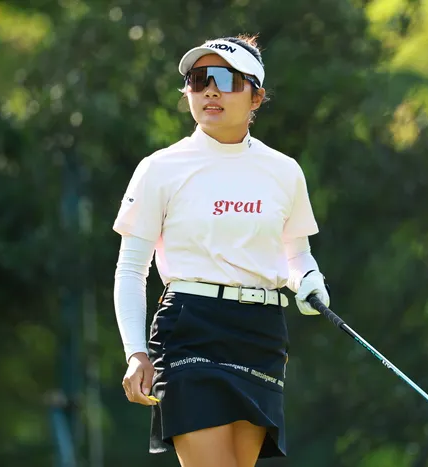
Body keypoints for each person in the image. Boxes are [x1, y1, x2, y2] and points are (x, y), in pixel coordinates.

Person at [112, 34, 331, 467]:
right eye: (199, 80)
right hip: (190, 326)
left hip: (260, 333)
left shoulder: (284, 171)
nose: (210, 90)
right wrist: (136, 352)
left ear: (256, 97)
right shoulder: (160, 168)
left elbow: (297, 254)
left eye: (227, 80)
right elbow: (131, 269)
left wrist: (309, 279)